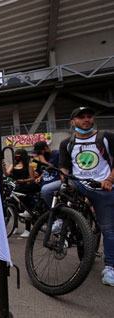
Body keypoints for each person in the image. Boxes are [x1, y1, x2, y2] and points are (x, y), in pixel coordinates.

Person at [59, 106, 114, 287]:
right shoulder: (67, 143)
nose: (86, 120)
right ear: (73, 121)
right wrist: (64, 181)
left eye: (89, 116)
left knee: (108, 228)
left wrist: (109, 179)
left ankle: (110, 268)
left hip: (101, 186)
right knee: (46, 191)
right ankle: (62, 222)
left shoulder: (105, 138)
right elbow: (65, 168)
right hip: (78, 184)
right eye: (81, 117)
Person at [4, 148, 40, 238]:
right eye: (15, 155)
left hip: (26, 187)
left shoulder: (29, 165)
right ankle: (14, 226)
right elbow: (7, 174)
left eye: (18, 155)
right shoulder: (13, 165)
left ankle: (27, 229)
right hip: (17, 188)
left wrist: (23, 180)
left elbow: (32, 178)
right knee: (12, 205)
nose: (16, 157)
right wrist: (3, 167)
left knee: (26, 206)